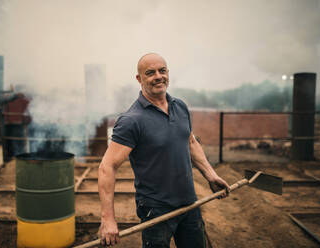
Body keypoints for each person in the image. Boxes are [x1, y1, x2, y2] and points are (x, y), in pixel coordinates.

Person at [98, 53, 230, 247]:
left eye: (162, 70)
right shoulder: (131, 120)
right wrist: (108, 219)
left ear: (168, 73)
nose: (158, 76)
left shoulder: (180, 107)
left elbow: (191, 142)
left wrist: (211, 175)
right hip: (156, 209)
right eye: (150, 73)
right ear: (139, 79)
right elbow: (107, 167)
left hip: (189, 202)